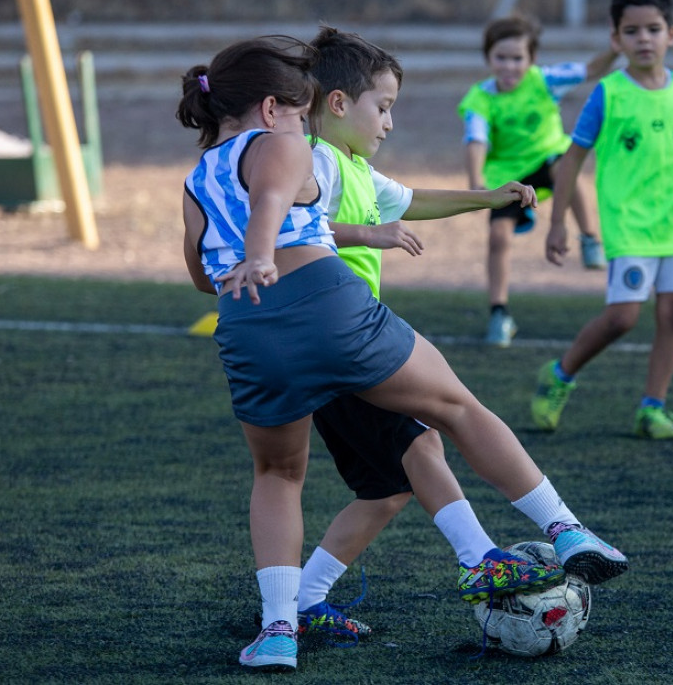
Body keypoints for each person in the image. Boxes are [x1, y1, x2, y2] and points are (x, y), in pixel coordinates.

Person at [176, 35, 629, 674]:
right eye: (300, 108)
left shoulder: (195, 181)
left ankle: (279, 630)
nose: (303, 121)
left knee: (278, 476)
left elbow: (199, 272)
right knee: (457, 409)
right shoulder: (282, 141)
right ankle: (563, 531)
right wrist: (264, 250)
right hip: (324, 303)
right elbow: (275, 201)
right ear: (274, 106)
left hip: (246, 328)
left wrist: (247, 260)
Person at [296, 26, 570, 642]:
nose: (389, 122)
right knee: (424, 439)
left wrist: (489, 197)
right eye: (383, 107)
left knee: (387, 488)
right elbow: (294, 227)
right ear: (338, 104)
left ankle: (304, 603)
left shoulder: (356, 167)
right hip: (336, 341)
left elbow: (416, 200)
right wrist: (367, 234)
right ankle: (478, 558)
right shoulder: (317, 161)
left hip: (346, 339)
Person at [531, 0, 673, 439]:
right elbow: (572, 159)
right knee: (623, 317)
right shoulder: (609, 94)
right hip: (628, 223)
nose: (644, 39)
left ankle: (652, 407)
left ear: (671, 35)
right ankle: (560, 374)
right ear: (616, 40)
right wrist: (559, 223)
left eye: (653, 29)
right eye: (633, 31)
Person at [458, 14, 617, 347]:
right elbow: (476, 140)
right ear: (488, 58)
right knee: (498, 237)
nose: (509, 66)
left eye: (518, 58)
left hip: (548, 157)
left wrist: (615, 51)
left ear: (531, 60)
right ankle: (500, 313)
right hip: (509, 175)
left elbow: (590, 70)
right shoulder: (480, 98)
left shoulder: (545, 80)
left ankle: (590, 238)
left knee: (566, 169)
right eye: (501, 57)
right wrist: (476, 181)